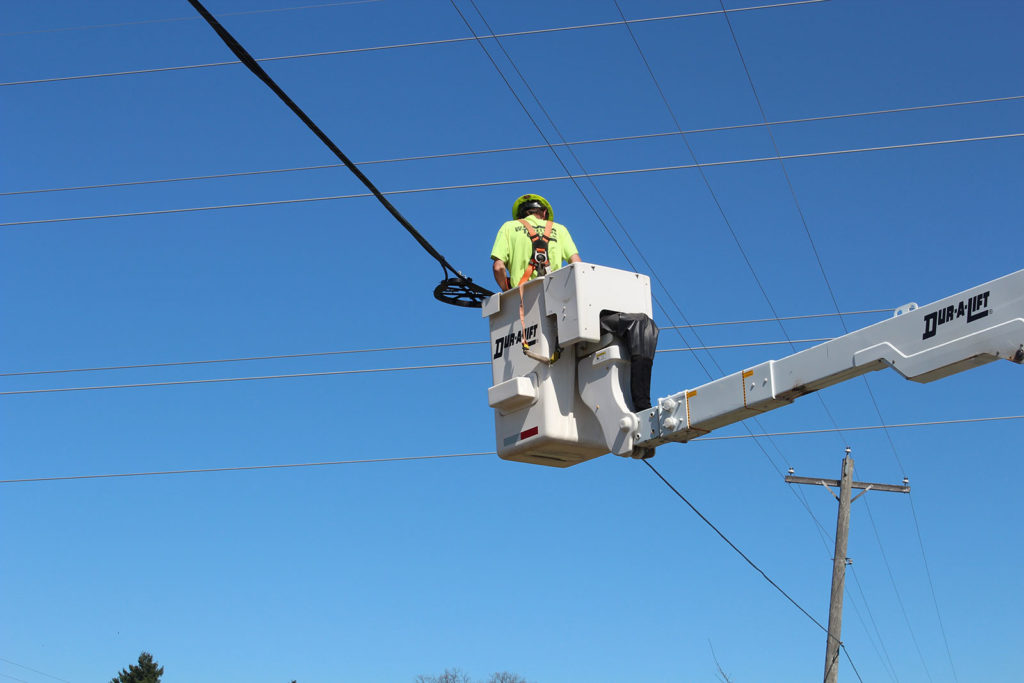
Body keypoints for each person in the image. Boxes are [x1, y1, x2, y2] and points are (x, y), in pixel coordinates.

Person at [491, 194, 581, 292]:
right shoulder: (560, 229)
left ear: (520, 215)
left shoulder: (509, 227)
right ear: (544, 212)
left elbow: (498, 267)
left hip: (522, 297)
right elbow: (577, 264)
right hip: (554, 296)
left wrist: (508, 292)